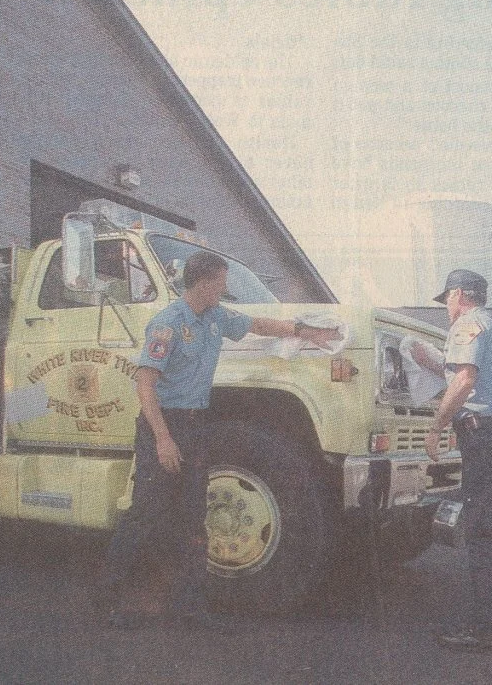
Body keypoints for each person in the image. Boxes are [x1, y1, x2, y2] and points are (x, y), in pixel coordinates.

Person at [98, 251, 341, 630]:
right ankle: (110, 602)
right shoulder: (167, 324)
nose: (226, 289)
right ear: (206, 282)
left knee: (194, 519)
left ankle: (190, 608)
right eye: (222, 283)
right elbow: (145, 385)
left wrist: (304, 332)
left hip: (194, 427)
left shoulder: (216, 317)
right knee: (144, 515)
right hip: (163, 425)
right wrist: (163, 440)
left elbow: (258, 324)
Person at [413, 269, 492, 654]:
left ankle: (486, 633)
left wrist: (437, 427)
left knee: (484, 533)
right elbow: (472, 377)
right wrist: (434, 363)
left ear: (459, 294)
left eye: (447, 299)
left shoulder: (467, 324)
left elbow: (465, 381)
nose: (446, 307)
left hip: (484, 438)